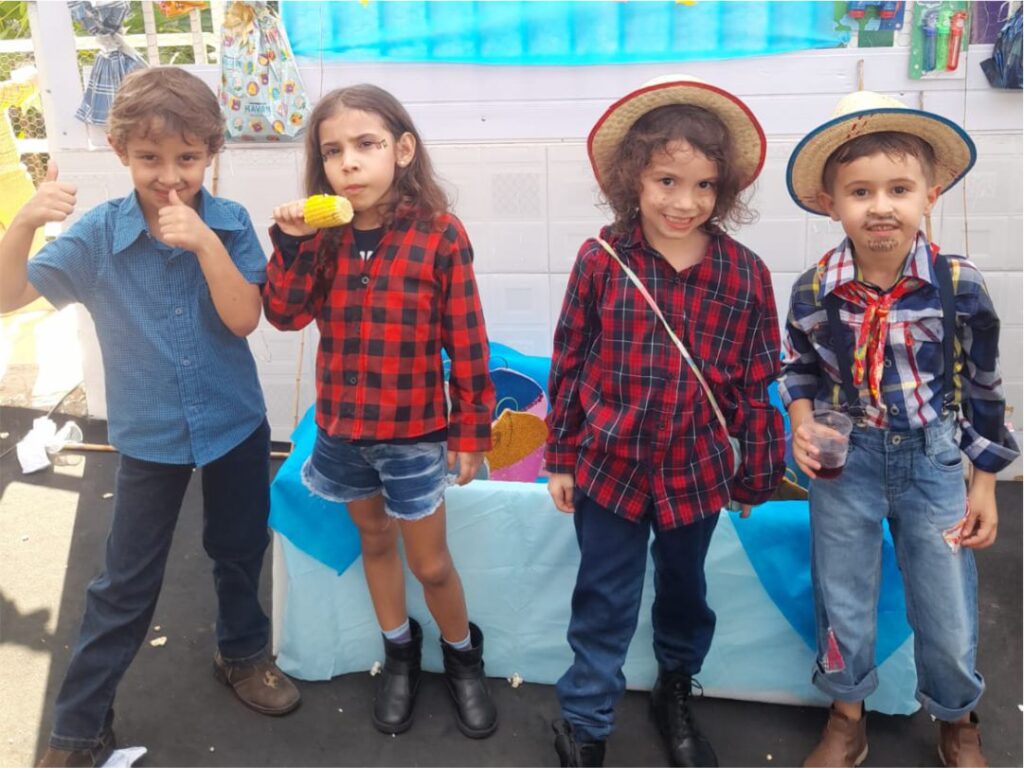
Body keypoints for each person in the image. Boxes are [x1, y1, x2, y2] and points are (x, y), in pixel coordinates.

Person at [0, 67, 301, 768]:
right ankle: (78, 728)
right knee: (124, 582)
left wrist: (204, 243)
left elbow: (243, 317)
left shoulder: (229, 223)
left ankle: (242, 653)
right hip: (149, 436)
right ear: (119, 152)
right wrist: (23, 223)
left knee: (238, 548)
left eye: (187, 158)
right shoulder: (98, 237)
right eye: (149, 158)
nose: (170, 177)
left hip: (234, 423)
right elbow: (8, 296)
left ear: (212, 153)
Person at [544, 75, 786, 768]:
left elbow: (756, 380)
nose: (685, 202)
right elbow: (569, 360)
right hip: (610, 466)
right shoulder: (601, 261)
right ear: (633, 179)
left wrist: (757, 472)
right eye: (667, 181)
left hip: (696, 472)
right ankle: (586, 720)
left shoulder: (745, 273)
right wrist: (560, 455)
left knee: (685, 591)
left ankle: (674, 688)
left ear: (724, 189)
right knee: (603, 595)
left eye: (704, 185)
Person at [781, 91, 1020, 768]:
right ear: (831, 203)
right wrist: (802, 423)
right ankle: (846, 715)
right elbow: (797, 369)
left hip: (934, 461)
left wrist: (985, 482)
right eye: (860, 191)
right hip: (846, 463)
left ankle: (957, 716)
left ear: (930, 196)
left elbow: (984, 385)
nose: (880, 206)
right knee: (843, 596)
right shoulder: (814, 289)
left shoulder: (957, 283)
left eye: (899, 189)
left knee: (946, 604)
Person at [263, 84, 498, 739]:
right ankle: (399, 652)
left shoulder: (439, 234)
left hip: (415, 434)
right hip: (343, 430)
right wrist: (292, 242)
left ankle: (463, 657)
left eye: (366, 144)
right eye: (332, 151)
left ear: (403, 149)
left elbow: (467, 339)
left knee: (430, 564)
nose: (348, 163)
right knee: (373, 540)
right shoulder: (322, 239)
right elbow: (284, 315)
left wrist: (471, 429)